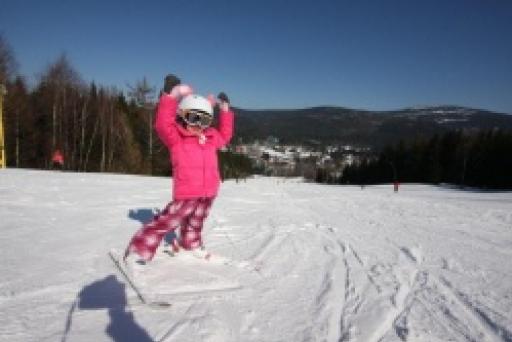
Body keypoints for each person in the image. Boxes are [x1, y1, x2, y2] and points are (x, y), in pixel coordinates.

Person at [124, 74, 234, 262]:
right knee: (168, 220)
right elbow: (162, 124)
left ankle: (190, 243)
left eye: (204, 120)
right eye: (193, 117)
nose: (198, 125)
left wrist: (224, 111)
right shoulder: (176, 137)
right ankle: (141, 247)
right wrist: (170, 96)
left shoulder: (210, 137)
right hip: (187, 191)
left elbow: (225, 135)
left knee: (196, 221)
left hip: (209, 191)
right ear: (182, 115)